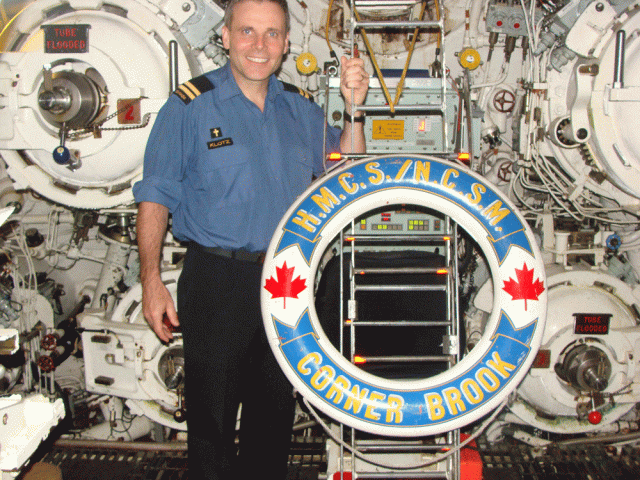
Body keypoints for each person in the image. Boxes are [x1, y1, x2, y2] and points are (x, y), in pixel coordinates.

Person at [133, 0, 368, 477]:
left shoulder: (299, 108)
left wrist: (355, 108)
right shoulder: (189, 107)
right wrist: (151, 279)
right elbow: (155, 195)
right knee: (211, 421)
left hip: (286, 282)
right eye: (247, 32)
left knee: (274, 414)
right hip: (217, 279)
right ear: (224, 37)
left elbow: (350, 173)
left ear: (285, 44)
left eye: (272, 34)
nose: (259, 46)